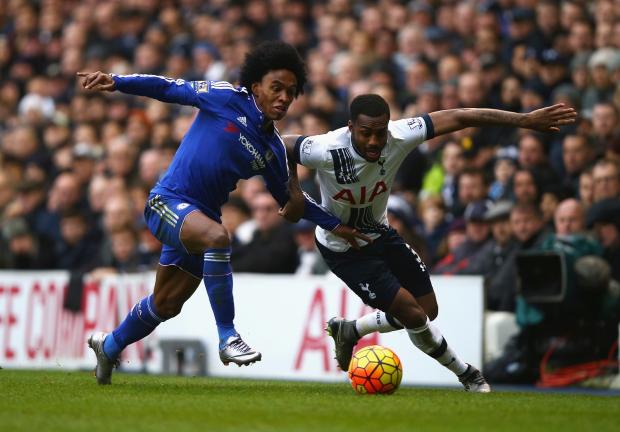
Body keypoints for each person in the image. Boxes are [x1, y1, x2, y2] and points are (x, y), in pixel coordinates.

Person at [78, 41, 368, 385]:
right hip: (166, 202)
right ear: (255, 86)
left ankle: (107, 346)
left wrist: (336, 225)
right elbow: (167, 88)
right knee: (219, 236)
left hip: (198, 223)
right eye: (276, 88)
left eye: (291, 92)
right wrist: (117, 80)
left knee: (166, 304)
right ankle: (228, 336)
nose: (284, 97)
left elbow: (293, 203)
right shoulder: (225, 96)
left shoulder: (273, 149)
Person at [283, 94, 576, 392]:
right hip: (344, 249)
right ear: (350, 127)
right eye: (365, 133)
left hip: (380, 233)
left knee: (427, 309)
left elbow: (461, 115)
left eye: (380, 132)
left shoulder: (401, 134)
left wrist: (524, 120)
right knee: (412, 313)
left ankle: (352, 329)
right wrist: (294, 191)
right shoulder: (325, 148)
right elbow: (284, 145)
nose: (374, 141)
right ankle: (467, 374)